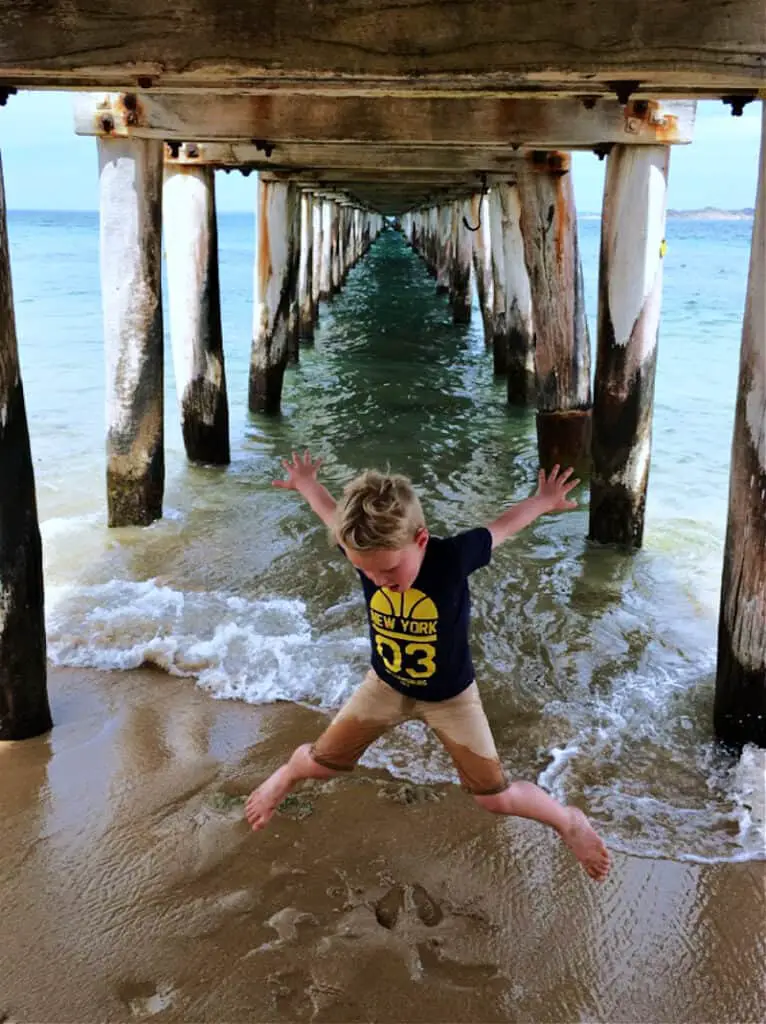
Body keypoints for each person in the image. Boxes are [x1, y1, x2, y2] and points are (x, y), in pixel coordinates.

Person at [245, 451, 610, 882]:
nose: (380, 580)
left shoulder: (451, 558)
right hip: (383, 686)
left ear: (420, 540)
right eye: (367, 571)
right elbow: (330, 514)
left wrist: (544, 499)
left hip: (451, 700)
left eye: (389, 570)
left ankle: (568, 822)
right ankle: (286, 775)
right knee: (321, 764)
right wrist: (306, 482)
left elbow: (502, 528)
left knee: (494, 798)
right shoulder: (364, 549)